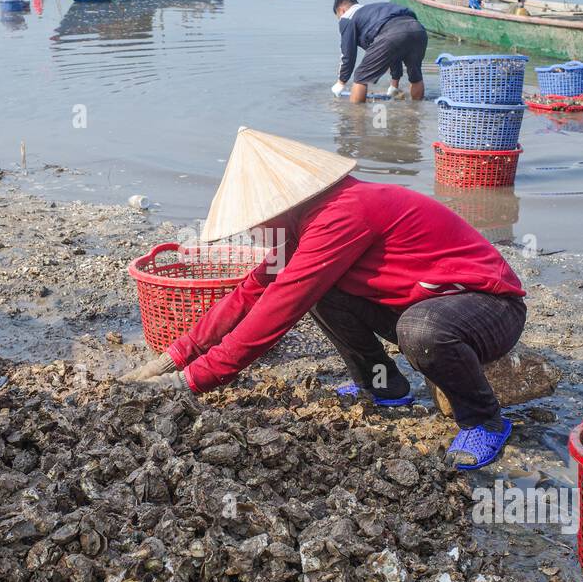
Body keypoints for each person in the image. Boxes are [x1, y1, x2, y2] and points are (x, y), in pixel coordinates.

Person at [124, 127, 527, 468]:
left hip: (487, 308)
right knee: (328, 293)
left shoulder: (343, 213)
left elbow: (280, 307)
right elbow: (253, 291)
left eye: (254, 224)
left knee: (418, 330)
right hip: (420, 304)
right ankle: (383, 387)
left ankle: (484, 421)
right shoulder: (305, 223)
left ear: (280, 207)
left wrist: (195, 380)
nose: (253, 234)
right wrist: (177, 355)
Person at [331, 0, 429, 104]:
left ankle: (356, 117)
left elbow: (348, 54)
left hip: (391, 32)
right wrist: (394, 85)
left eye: (338, 16)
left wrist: (341, 82)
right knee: (415, 75)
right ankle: (415, 112)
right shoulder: (374, 11)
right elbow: (394, 53)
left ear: (342, 10)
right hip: (418, 30)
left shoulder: (347, 17)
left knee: (360, 76)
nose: (340, 20)